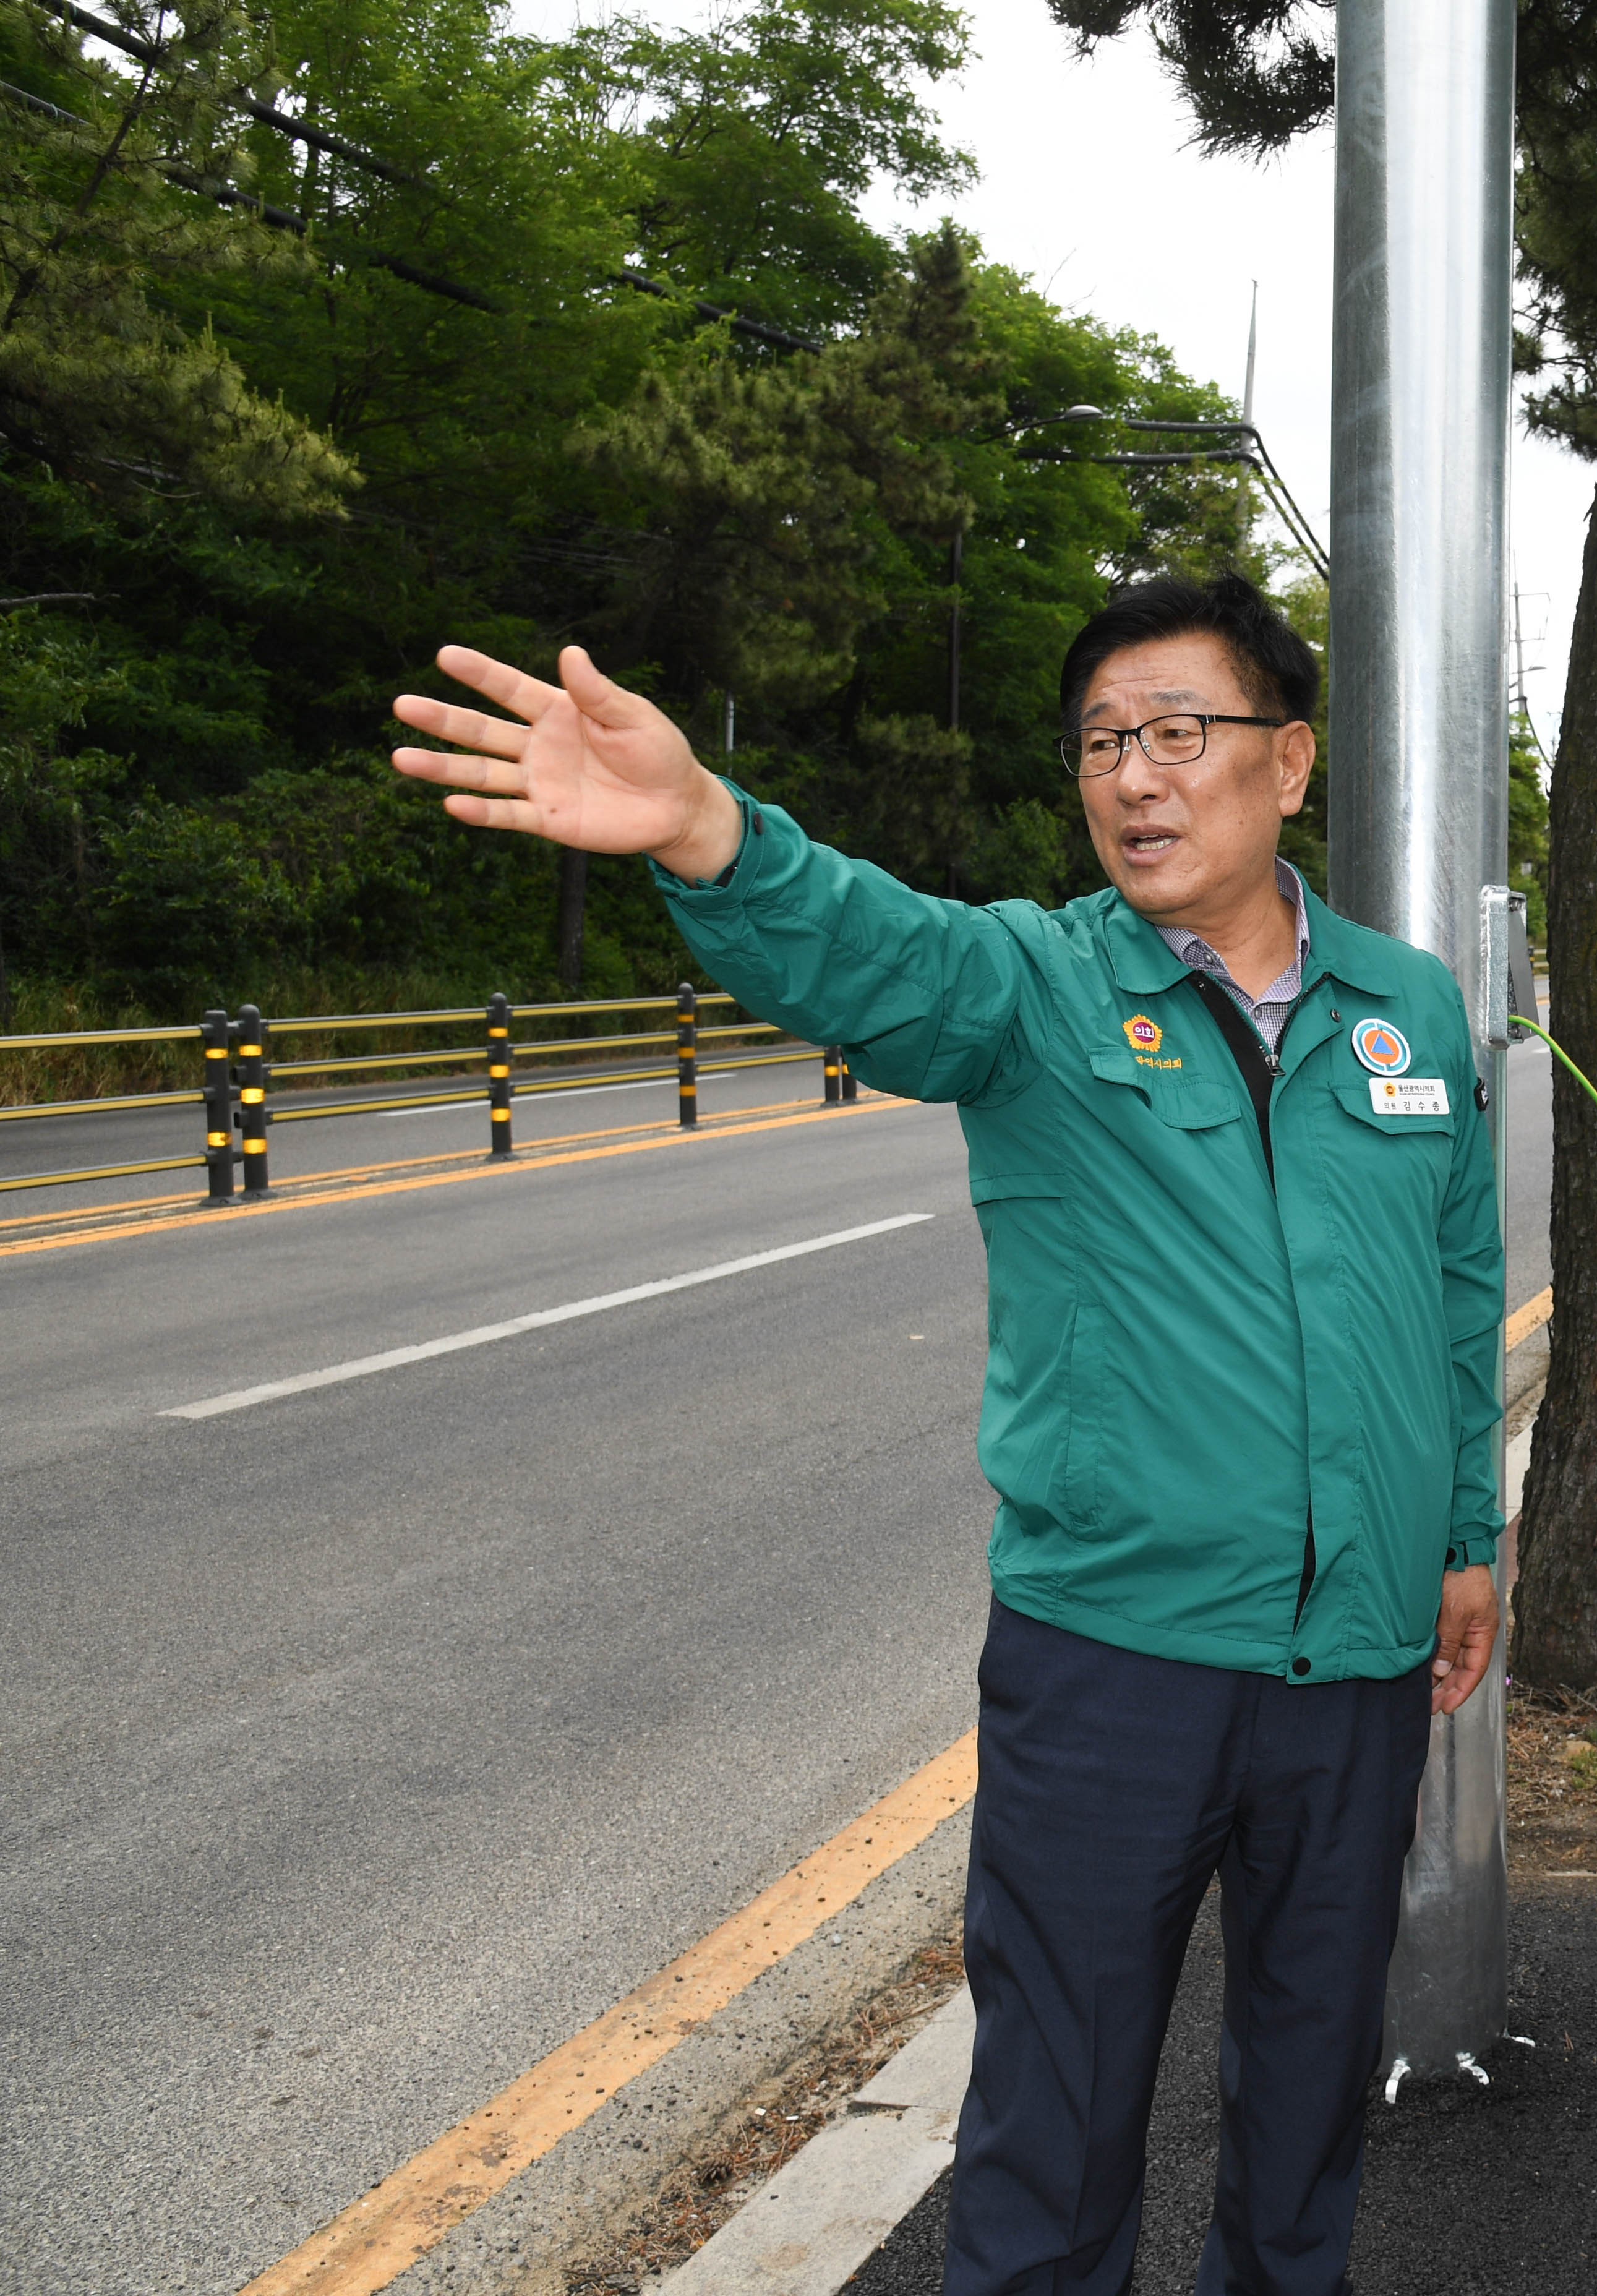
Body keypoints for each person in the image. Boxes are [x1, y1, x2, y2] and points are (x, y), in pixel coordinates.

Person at [388, 573, 1504, 2296]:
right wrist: (708, 833)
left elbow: (1449, 1283)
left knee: (1308, 2106)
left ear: (1288, 766)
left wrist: (1461, 1543)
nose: (1136, 777)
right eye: (1102, 746)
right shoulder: (1041, 989)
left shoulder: (1405, 1007)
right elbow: (874, 954)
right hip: (1112, 1664)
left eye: (1179, 735)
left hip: (1353, 1665)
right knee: (1053, 2129)